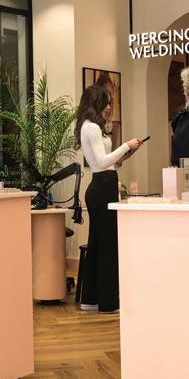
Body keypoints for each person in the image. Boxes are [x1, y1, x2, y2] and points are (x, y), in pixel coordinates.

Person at [76, 84, 141, 314]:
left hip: (101, 185)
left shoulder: (90, 127)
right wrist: (125, 145)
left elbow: (106, 162)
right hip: (102, 188)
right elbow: (103, 162)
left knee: (97, 245)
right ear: (96, 102)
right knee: (108, 246)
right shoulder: (92, 127)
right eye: (106, 102)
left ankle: (91, 298)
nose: (109, 107)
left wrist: (126, 153)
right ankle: (108, 302)